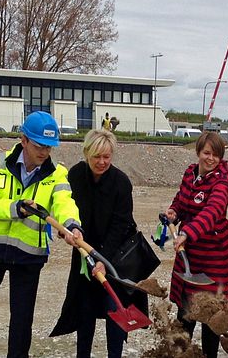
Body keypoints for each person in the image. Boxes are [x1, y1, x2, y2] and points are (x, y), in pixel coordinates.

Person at [0, 111, 82, 358]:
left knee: (22, 321)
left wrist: (72, 225)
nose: (45, 152)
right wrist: (16, 208)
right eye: (39, 146)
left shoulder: (57, 173)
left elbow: (64, 202)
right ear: (23, 140)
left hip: (28, 256)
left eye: (49, 147)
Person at [50, 129, 145, 358]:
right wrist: (67, 231)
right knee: (84, 310)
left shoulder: (121, 182)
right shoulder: (75, 175)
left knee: (114, 310)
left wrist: (104, 261)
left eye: (107, 157)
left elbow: (121, 225)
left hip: (115, 258)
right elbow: (66, 209)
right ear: (86, 153)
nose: (102, 162)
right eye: (96, 156)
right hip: (84, 254)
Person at [165, 131, 228, 358]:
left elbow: (212, 212)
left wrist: (186, 232)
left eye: (216, 155)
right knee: (185, 311)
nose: (211, 158)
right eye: (207, 153)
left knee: (210, 314)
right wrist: (174, 212)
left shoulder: (222, 182)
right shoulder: (190, 173)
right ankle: (180, 352)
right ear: (198, 152)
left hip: (215, 256)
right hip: (190, 255)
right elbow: (182, 199)